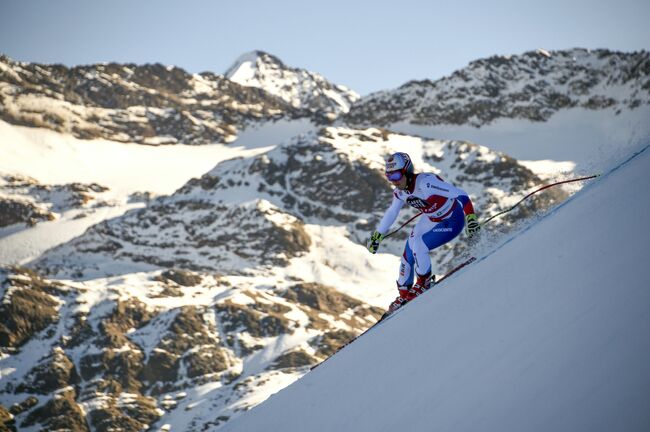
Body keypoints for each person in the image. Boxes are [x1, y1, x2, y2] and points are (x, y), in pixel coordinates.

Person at [366, 152, 480, 313]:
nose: (394, 181)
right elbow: (392, 212)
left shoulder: (426, 182)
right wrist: (378, 235)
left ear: (407, 171)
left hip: (452, 220)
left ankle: (423, 283)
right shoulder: (400, 192)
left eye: (397, 175)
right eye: (389, 177)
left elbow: (461, 194)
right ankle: (404, 294)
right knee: (408, 251)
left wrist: (471, 218)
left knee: (419, 245)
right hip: (430, 219)